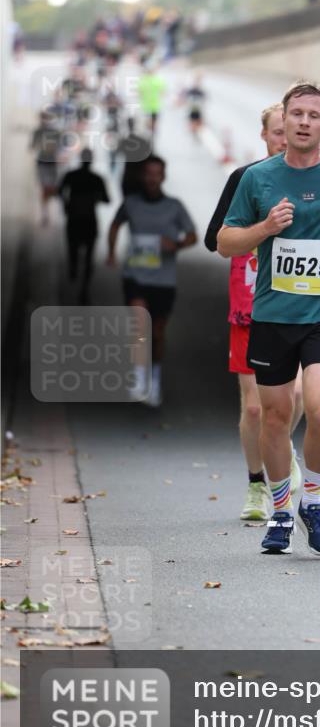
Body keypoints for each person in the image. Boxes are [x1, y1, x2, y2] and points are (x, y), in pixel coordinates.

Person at [218, 81, 320, 556]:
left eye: (314, 115)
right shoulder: (258, 178)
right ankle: (280, 512)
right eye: (297, 114)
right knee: (273, 417)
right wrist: (265, 229)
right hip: (272, 315)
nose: (305, 122)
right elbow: (225, 242)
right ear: (284, 122)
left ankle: (311, 501)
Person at [206, 104, 304, 521]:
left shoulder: (319, 179)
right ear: (264, 136)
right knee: (252, 408)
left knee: (295, 395)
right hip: (252, 304)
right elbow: (216, 239)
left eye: (291, 130)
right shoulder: (245, 179)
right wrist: (262, 228)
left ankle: (283, 447)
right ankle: (256, 485)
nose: (286, 138)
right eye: (278, 132)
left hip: (301, 304)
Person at [107, 155, 197, 407]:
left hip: (163, 280)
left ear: (163, 176)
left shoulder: (174, 206)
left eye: (157, 173)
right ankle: (138, 377)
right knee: (139, 325)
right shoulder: (131, 203)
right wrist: (112, 253)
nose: (152, 178)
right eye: (148, 173)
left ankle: (154, 378)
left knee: (157, 332)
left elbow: (193, 236)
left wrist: (176, 244)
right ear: (141, 176)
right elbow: (115, 225)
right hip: (135, 275)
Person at [58, 148, 110, 302]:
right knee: (88, 257)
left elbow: (60, 192)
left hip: (74, 219)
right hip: (89, 220)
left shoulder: (71, 175)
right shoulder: (96, 179)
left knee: (72, 249)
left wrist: (67, 205)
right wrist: (94, 198)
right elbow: (107, 199)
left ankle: (74, 270)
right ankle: (84, 288)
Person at [30, 111, 63, 226]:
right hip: (43, 162)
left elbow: (60, 146)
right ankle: (45, 214)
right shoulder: (38, 132)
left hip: (51, 162)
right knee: (45, 187)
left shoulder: (53, 132)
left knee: (51, 187)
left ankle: (48, 211)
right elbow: (32, 146)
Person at [115, 117, 151, 194]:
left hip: (129, 172)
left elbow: (118, 152)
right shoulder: (141, 140)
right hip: (139, 171)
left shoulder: (124, 141)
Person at [137, 64, 167, 138]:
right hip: (154, 106)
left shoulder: (143, 80)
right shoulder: (157, 80)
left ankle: (149, 136)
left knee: (148, 123)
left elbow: (139, 93)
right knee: (153, 124)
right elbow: (163, 92)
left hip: (147, 106)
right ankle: (152, 136)